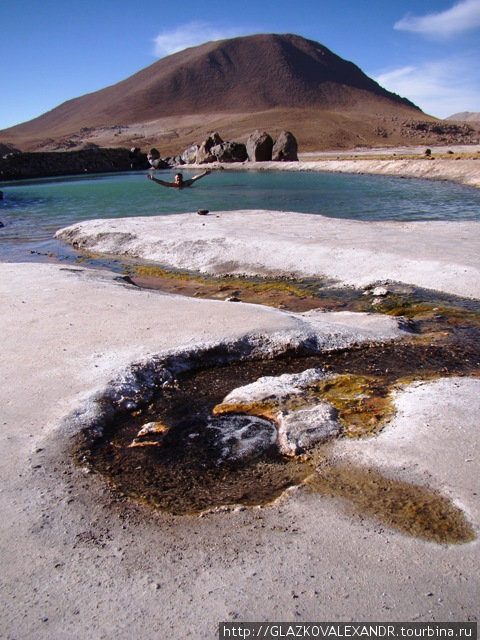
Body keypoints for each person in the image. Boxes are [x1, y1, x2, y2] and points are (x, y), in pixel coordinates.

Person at [147, 170, 211, 189]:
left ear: (182, 178)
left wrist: (204, 173)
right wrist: (154, 179)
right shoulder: (172, 185)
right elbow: (162, 182)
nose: (178, 179)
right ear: (175, 179)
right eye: (177, 178)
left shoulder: (186, 183)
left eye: (179, 178)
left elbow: (195, 178)